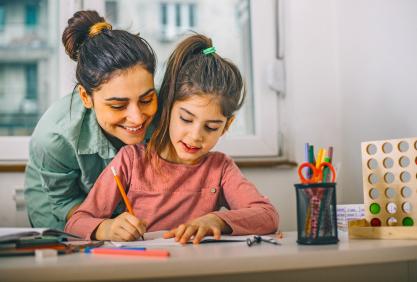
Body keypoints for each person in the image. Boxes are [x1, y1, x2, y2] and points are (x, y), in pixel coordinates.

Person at [65, 34, 279, 244]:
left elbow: (268, 216)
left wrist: (216, 220)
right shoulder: (131, 160)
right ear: (167, 108)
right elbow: (76, 222)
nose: (195, 136)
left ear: (226, 126)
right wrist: (106, 228)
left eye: (211, 127)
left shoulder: (220, 168)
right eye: (186, 119)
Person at [24, 10, 158, 230]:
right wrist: (103, 227)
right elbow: (63, 201)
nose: (137, 117)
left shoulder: (170, 110)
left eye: (146, 99)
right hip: (61, 206)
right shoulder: (54, 137)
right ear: (86, 97)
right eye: (118, 105)